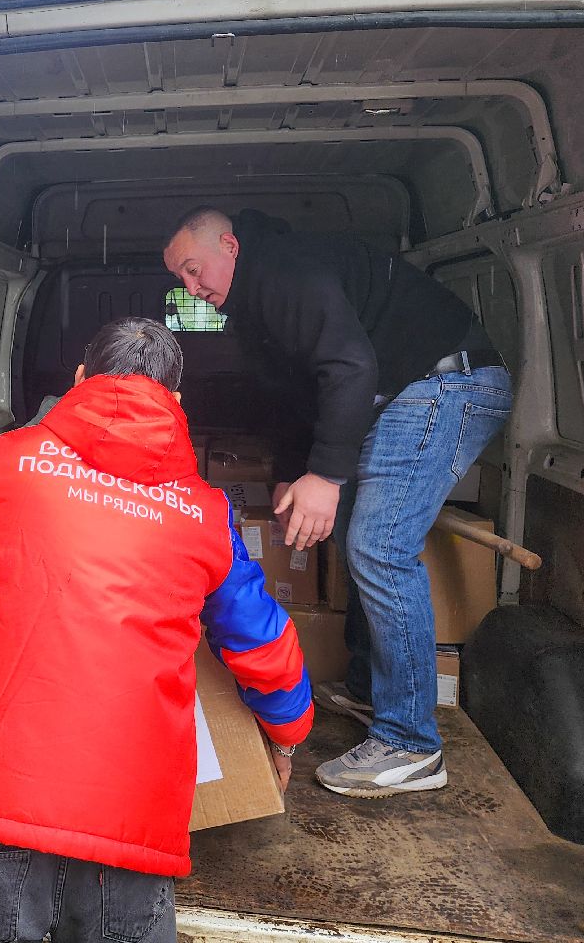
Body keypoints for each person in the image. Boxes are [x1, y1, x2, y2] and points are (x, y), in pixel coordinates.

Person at [0, 317, 312, 943]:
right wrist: (288, 733)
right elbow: (265, 644)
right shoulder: (204, 513)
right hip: (129, 823)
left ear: (79, 380)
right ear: (177, 401)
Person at [162, 207, 513, 798]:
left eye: (195, 271)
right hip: (403, 393)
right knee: (356, 539)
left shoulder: (284, 273)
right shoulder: (253, 305)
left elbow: (350, 366)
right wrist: (290, 474)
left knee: (380, 549)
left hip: (446, 383)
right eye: (183, 282)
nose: (192, 289)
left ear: (229, 244)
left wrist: (325, 476)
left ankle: (411, 744)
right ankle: (370, 689)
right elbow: (298, 393)